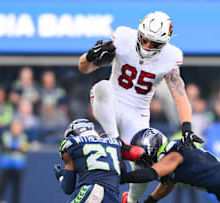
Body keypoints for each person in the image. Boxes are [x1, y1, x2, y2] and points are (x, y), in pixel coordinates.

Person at [78, 11, 203, 203]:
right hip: (110, 102)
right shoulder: (123, 38)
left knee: (144, 160)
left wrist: (187, 127)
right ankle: (115, 142)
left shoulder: (170, 57)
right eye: (145, 39)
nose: (147, 46)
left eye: (154, 43)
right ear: (139, 32)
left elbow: (179, 95)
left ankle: (131, 200)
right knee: (102, 87)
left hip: (137, 113)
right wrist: (89, 56)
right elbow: (84, 68)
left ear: (165, 43)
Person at [120, 127, 220, 203]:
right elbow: (168, 183)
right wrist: (149, 201)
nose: (142, 163)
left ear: (153, 147)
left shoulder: (174, 152)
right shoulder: (169, 162)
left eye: (143, 158)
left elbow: (151, 173)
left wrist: (121, 177)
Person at [53, 118, 144, 203]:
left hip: (92, 190)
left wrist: (62, 176)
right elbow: (122, 177)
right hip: (112, 196)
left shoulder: (72, 142)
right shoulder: (115, 143)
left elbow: (68, 188)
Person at [0, 120, 29, 203]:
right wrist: (16, 148)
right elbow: (4, 148)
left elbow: (24, 149)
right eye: (15, 127)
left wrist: (13, 149)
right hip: (6, 166)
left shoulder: (24, 137)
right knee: (1, 190)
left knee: (16, 191)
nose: (16, 129)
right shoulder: (6, 136)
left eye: (18, 127)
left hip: (18, 167)